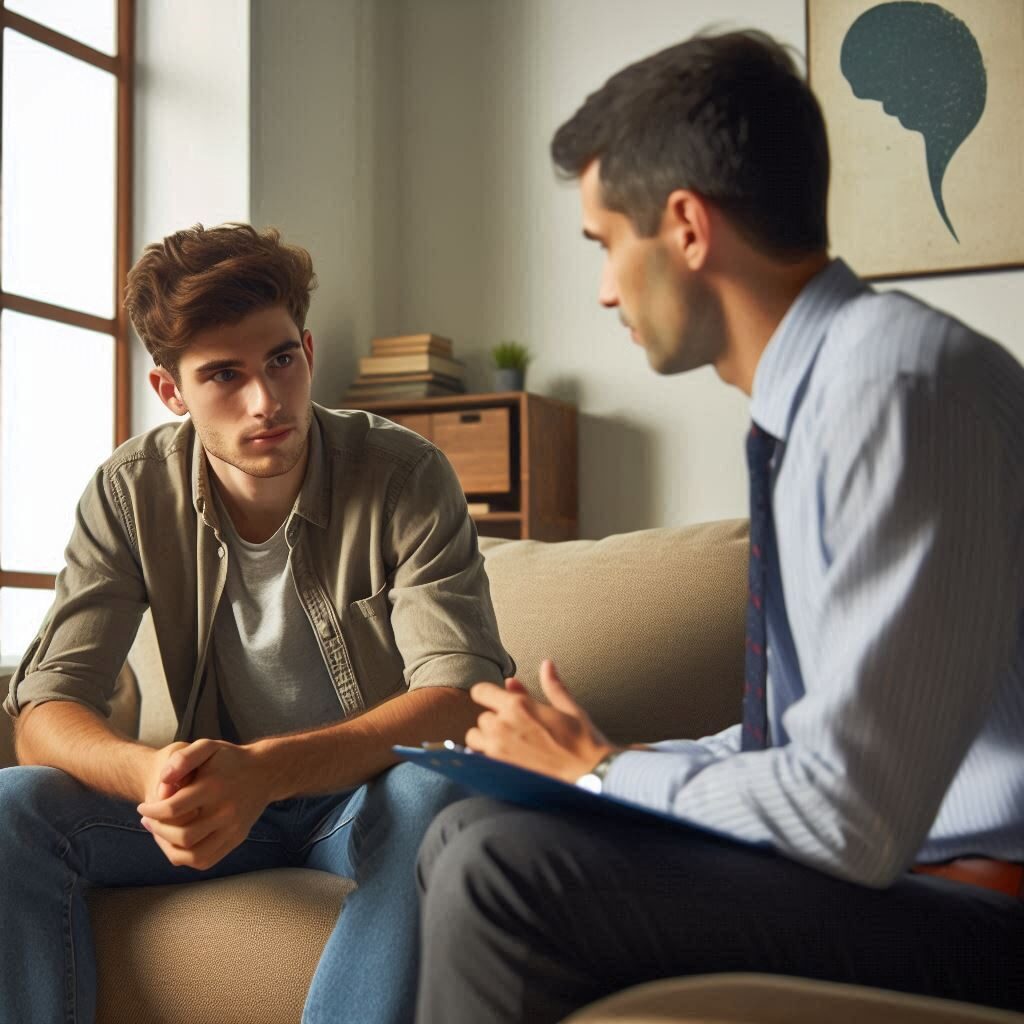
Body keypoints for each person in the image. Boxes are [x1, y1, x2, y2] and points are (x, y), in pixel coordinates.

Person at [414, 30, 1024, 1024]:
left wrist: (604, 773)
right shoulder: (824, 394)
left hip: (976, 902)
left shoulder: (894, 390)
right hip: (902, 873)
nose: (606, 288)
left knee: (498, 871)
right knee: (459, 829)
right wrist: (604, 760)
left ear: (687, 227)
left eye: (607, 243)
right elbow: (812, 739)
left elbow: (851, 811)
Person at [0, 222, 513, 1024]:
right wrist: (153, 776)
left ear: (307, 348)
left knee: (435, 789)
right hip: (212, 801)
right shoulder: (129, 493)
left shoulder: (407, 474)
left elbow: (461, 698)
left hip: (361, 798)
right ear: (171, 391)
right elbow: (45, 712)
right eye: (224, 376)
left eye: (280, 360)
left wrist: (267, 770)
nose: (266, 401)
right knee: (13, 804)